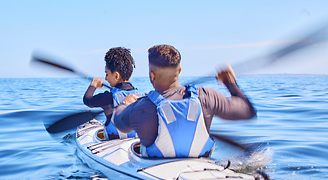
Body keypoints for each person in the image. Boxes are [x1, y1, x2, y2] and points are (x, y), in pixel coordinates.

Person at [113, 44, 256, 158]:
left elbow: (120, 124)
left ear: (152, 74)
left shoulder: (142, 106)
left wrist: (126, 104)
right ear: (179, 70)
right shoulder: (206, 96)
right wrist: (230, 82)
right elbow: (247, 112)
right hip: (201, 171)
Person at [83, 47, 142, 140]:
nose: (106, 78)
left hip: (113, 144)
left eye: (107, 74)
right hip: (134, 144)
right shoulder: (142, 96)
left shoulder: (107, 98)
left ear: (116, 75)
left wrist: (93, 85)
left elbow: (87, 100)